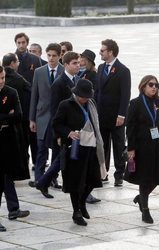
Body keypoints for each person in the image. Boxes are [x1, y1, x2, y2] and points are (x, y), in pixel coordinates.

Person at [53, 79, 106, 226]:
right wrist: (69, 132)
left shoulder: (91, 104)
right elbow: (56, 124)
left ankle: (82, 202)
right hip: (74, 149)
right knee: (75, 183)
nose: (85, 99)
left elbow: (96, 125)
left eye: (88, 96)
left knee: (94, 179)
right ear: (76, 94)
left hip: (91, 148)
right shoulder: (66, 105)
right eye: (83, 96)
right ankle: (76, 211)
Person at [34, 51, 80, 198]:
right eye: (74, 63)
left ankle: (43, 182)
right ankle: (45, 182)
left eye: (78, 63)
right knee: (61, 160)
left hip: (74, 128)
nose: (78, 65)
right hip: (63, 129)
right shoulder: (59, 84)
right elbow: (54, 111)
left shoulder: (77, 80)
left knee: (61, 160)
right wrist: (59, 133)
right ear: (65, 65)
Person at [124, 75, 159, 224]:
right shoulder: (136, 103)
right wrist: (131, 148)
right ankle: (145, 210)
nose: (154, 87)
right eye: (151, 84)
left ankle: (140, 198)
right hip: (143, 147)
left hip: (157, 146)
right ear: (143, 86)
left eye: (156, 85)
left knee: (158, 177)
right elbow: (130, 127)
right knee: (145, 179)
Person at [29, 43, 64, 198]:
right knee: (41, 150)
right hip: (41, 116)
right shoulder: (39, 72)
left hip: (58, 118)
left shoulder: (64, 71)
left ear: (59, 56)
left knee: (57, 151)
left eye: (54, 55)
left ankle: (53, 179)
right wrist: (32, 119)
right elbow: (34, 96)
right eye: (48, 55)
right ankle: (39, 180)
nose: (51, 58)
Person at [95, 39, 131, 186]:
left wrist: (121, 115)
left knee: (118, 145)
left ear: (110, 52)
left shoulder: (123, 70)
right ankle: (103, 173)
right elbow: (97, 91)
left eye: (102, 50)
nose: (100, 53)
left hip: (116, 116)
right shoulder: (100, 67)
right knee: (102, 146)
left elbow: (125, 95)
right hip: (101, 114)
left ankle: (119, 174)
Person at [0, 66, 30, 231]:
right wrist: (6, 116)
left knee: (6, 177)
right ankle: (13, 208)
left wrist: (4, 120)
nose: (1, 81)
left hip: (7, 143)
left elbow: (18, 116)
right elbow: (11, 116)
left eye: (3, 77)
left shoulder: (11, 92)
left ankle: (13, 209)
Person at [14, 32, 42, 169]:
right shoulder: (10, 59)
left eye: (23, 42)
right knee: (21, 138)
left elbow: (39, 81)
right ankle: (23, 163)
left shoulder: (35, 60)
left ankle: (38, 163)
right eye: (18, 42)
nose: (21, 45)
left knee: (34, 136)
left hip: (32, 102)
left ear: (27, 43)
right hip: (17, 102)